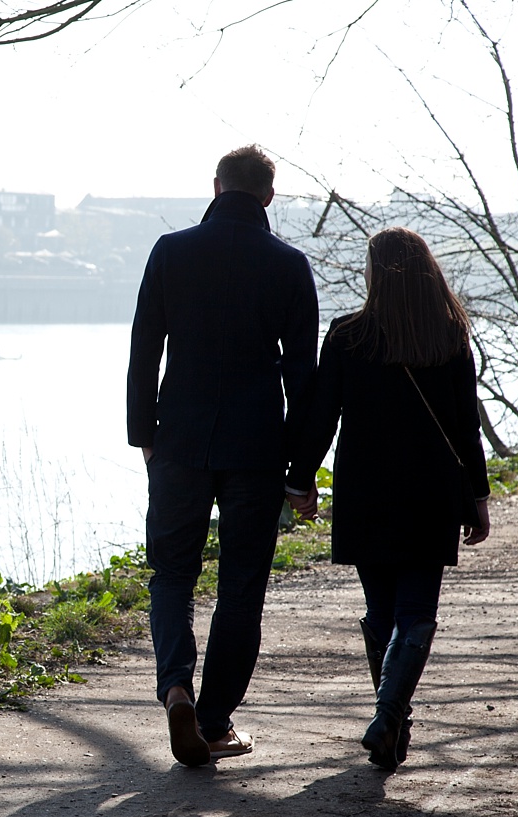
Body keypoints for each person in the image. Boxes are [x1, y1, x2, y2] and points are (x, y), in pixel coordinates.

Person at [127, 144, 319, 767]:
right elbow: (305, 379)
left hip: (179, 439)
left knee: (172, 574)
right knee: (241, 587)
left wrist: (145, 434)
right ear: (268, 195)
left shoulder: (170, 251)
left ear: (215, 186)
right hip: (257, 449)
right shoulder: (288, 265)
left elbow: (143, 351)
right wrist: (302, 469)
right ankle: (212, 722)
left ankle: (176, 688)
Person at [286, 228, 490, 772]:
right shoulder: (449, 335)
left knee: (382, 612)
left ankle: (390, 721)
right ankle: (389, 718)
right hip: (430, 495)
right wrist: (478, 495)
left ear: (376, 273)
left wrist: (299, 479)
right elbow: (465, 428)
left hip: (365, 493)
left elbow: (321, 417)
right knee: (417, 612)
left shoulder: (348, 335)